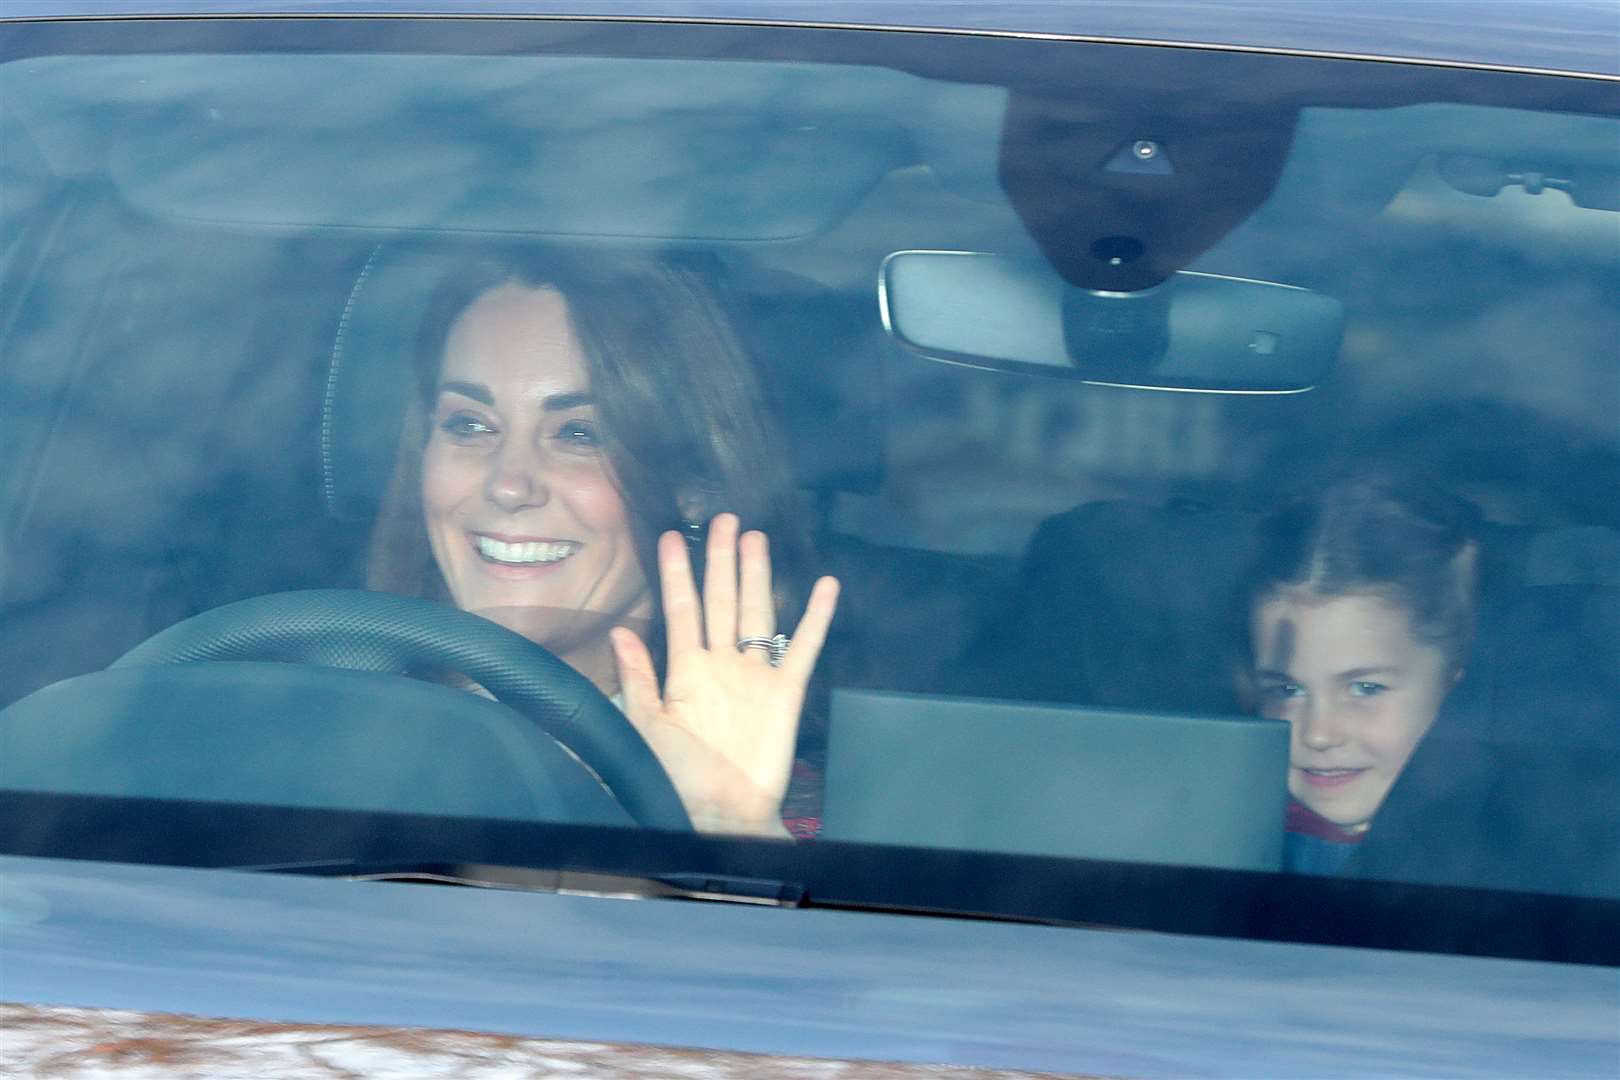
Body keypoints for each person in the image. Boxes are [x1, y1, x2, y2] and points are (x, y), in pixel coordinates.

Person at [366, 248, 840, 838]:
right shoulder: (299, 732)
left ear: (691, 488)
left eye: (578, 433)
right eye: (470, 425)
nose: (509, 486)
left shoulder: (817, 811)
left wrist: (723, 836)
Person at [1238, 474, 1481, 875]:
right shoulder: (1226, 837)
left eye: (1365, 688)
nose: (1319, 734)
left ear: (1450, 687)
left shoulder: (1503, 853)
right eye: (1287, 689)